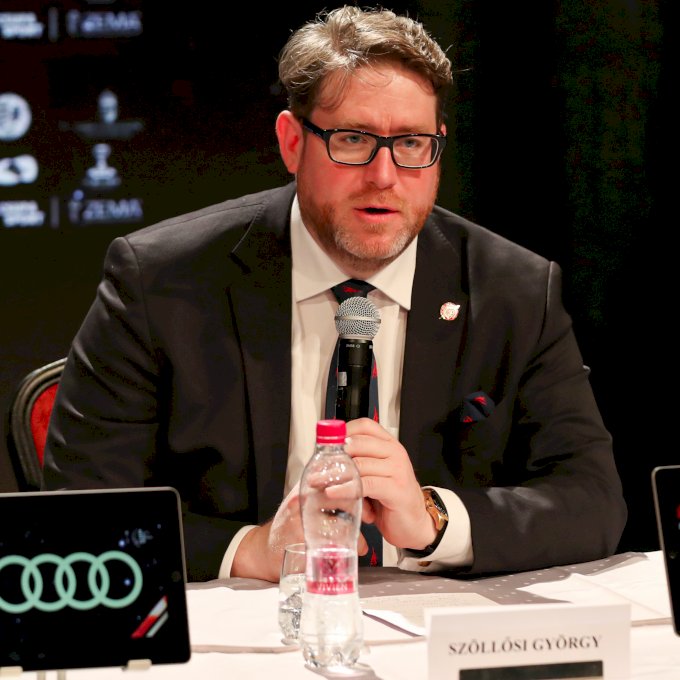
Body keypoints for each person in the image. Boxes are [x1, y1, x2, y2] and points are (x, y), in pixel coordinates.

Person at [42, 6, 627, 582]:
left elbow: (592, 499)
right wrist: (251, 550)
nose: (384, 176)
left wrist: (434, 520)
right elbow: (81, 512)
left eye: (412, 144)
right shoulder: (160, 283)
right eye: (352, 139)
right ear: (292, 142)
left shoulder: (515, 292)